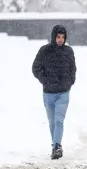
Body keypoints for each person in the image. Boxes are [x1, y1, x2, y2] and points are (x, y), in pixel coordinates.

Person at [32, 25, 77, 160]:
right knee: (52, 122)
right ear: (53, 37)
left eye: (63, 37)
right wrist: (44, 80)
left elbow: (73, 68)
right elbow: (35, 68)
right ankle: (55, 147)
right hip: (48, 94)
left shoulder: (68, 51)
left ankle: (57, 146)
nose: (60, 40)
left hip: (63, 93)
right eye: (58, 37)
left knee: (59, 121)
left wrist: (70, 81)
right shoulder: (44, 51)